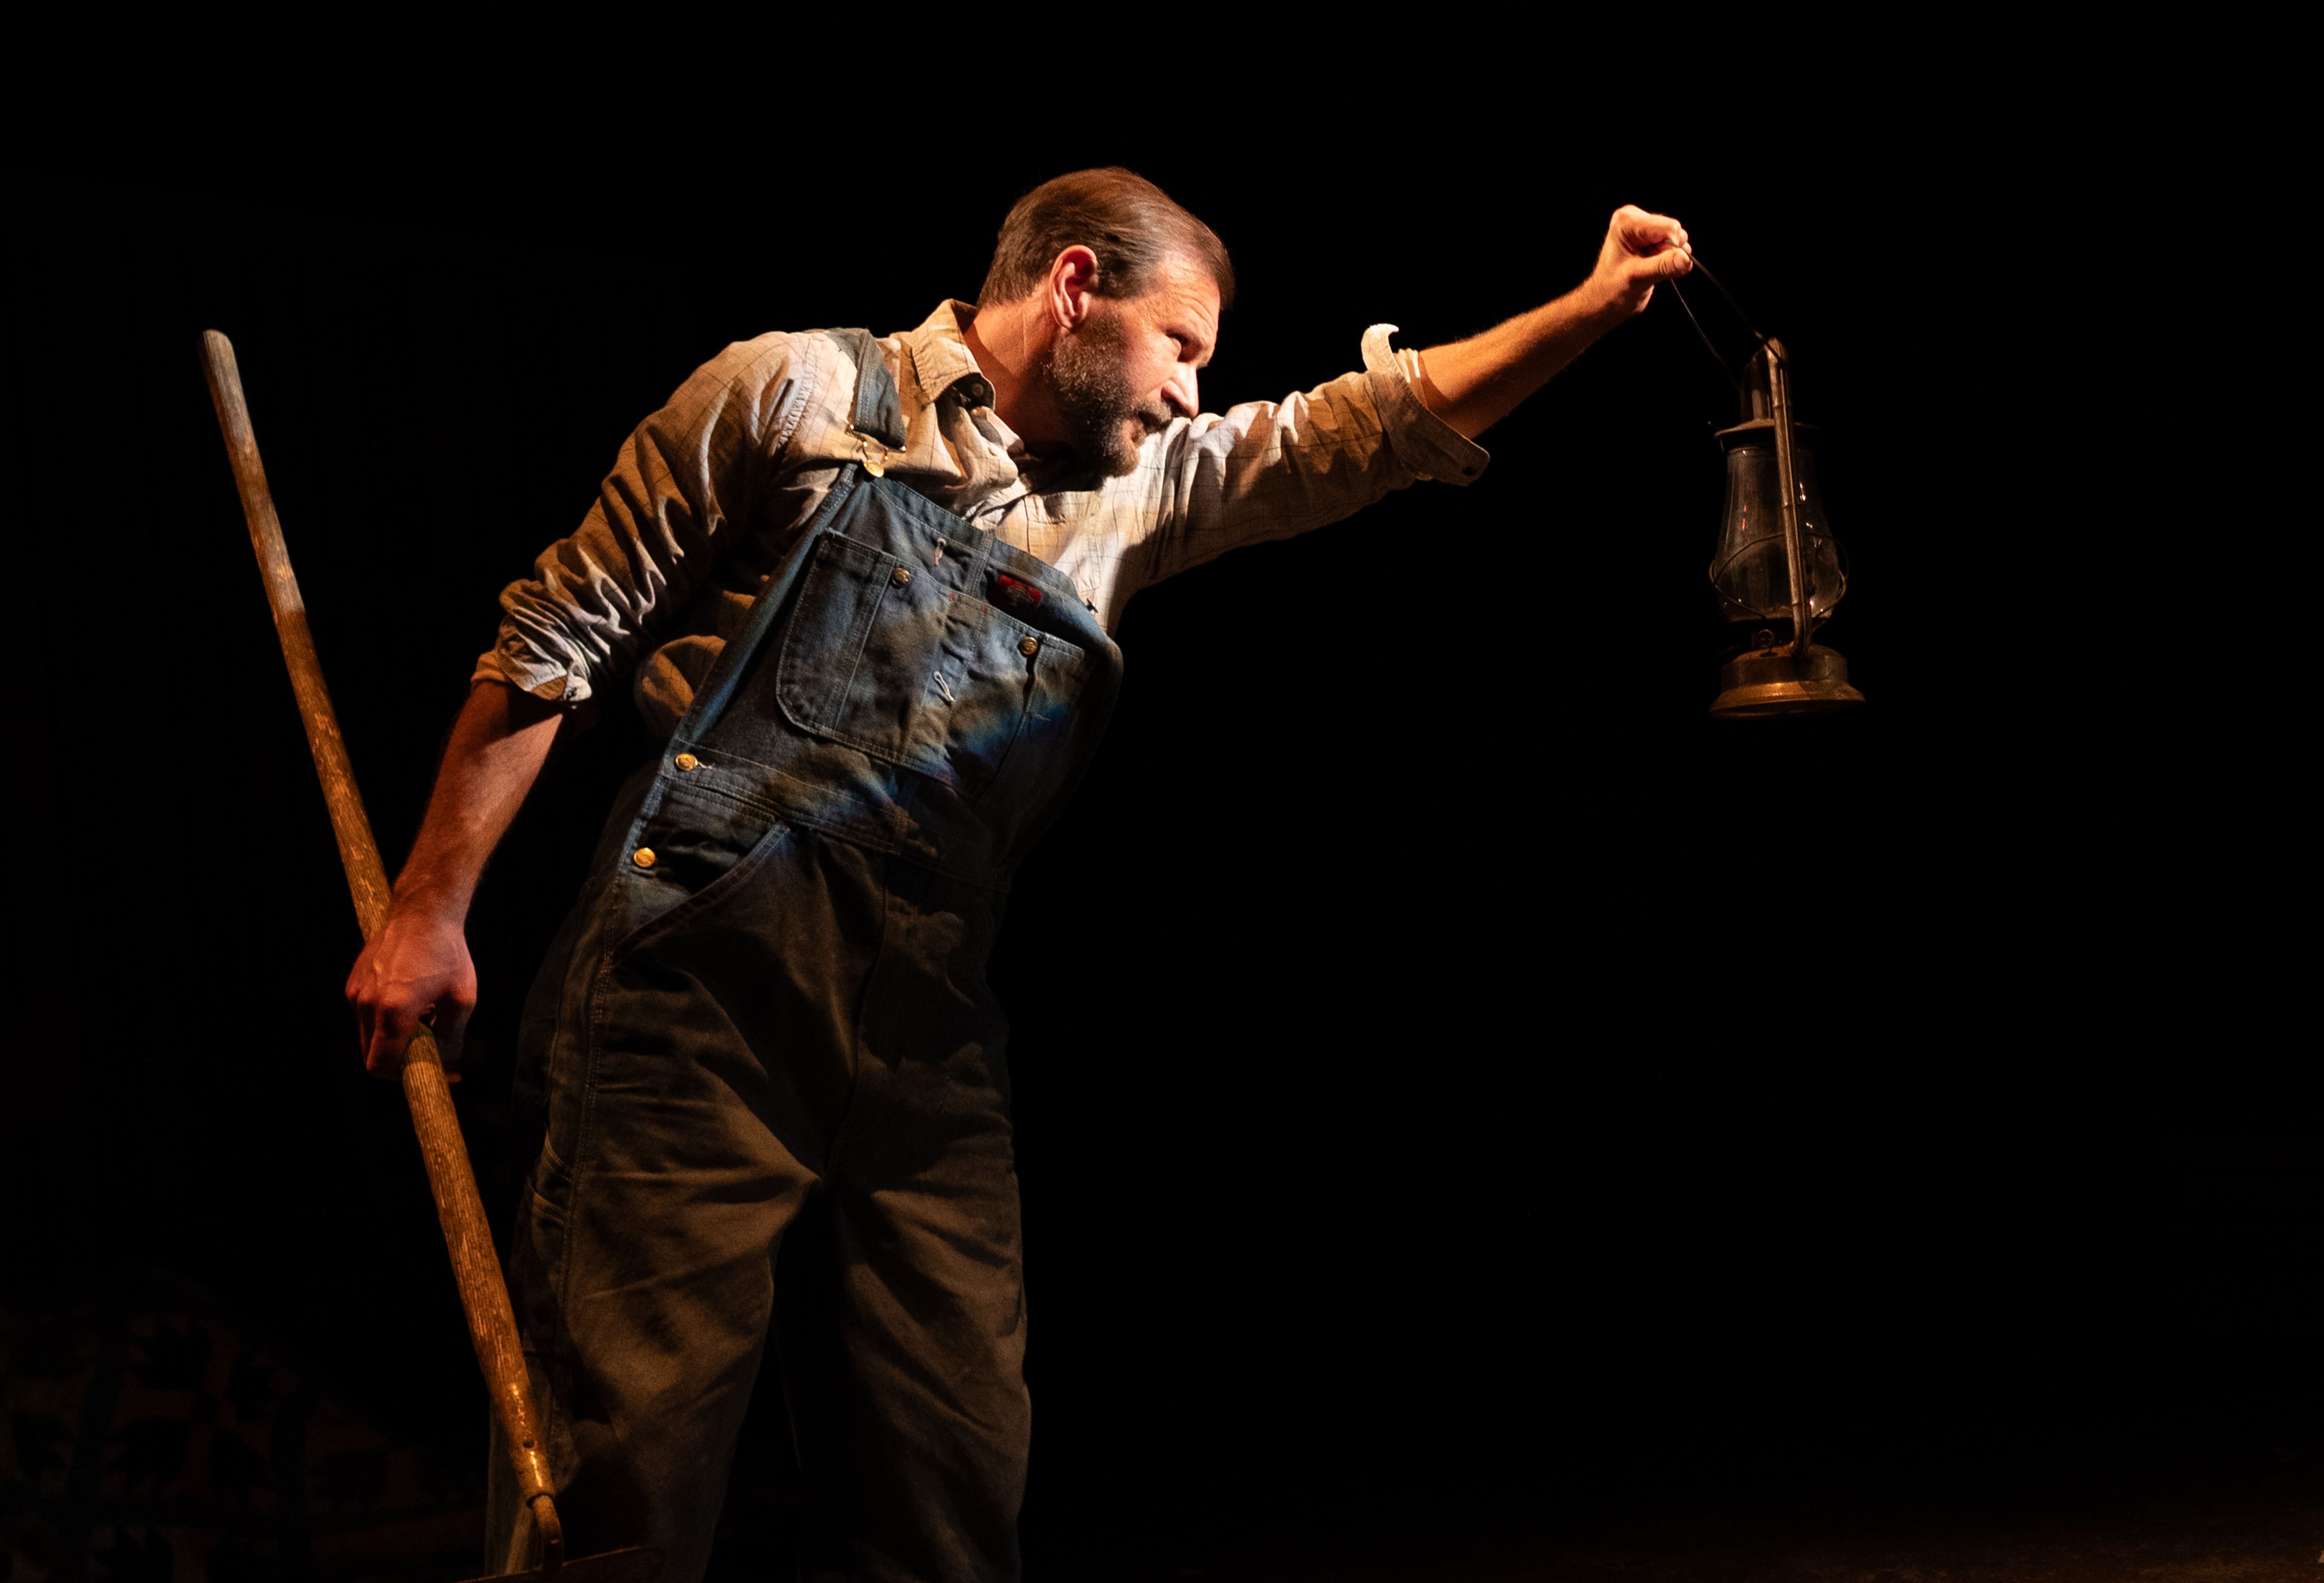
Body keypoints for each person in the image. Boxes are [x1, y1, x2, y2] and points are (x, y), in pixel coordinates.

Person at [346, 167, 1692, 1582]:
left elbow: (1366, 430)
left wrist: (1592, 311)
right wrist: (429, 910)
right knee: (626, 1481)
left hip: (926, 1031)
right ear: (1073, 288)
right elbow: (555, 641)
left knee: (952, 1481)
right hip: (699, 997)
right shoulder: (796, 392)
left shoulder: (1135, 497)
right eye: (1182, 346)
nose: (1191, 395)